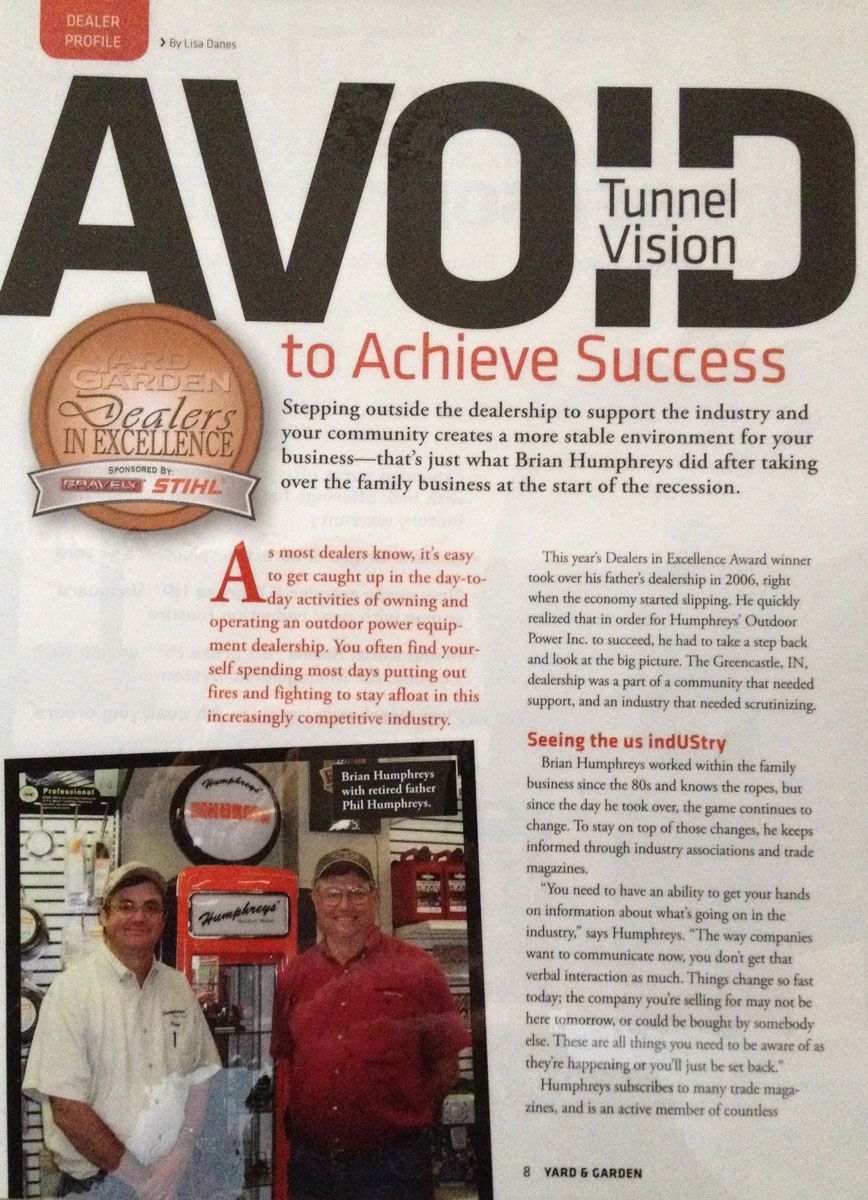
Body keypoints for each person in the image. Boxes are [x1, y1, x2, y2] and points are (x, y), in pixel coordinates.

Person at [271, 848, 471, 1200]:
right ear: (316, 899)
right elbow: (290, 1061)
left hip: (394, 1172)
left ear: (375, 897)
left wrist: (397, 1119)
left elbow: (447, 1067)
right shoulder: (293, 977)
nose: (345, 906)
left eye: (357, 893)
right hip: (312, 1171)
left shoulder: (419, 969)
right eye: (333, 893)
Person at [24, 862, 221, 1200]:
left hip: (172, 1179)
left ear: (162, 920)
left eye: (150, 907)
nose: (138, 917)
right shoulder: (70, 992)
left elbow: (200, 1074)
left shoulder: (177, 987)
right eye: (125, 906)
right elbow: (68, 1110)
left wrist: (181, 1151)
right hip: (101, 1186)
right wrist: (143, 1180)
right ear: (103, 915)